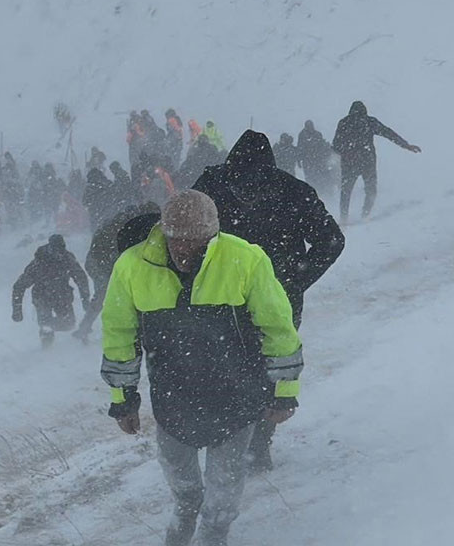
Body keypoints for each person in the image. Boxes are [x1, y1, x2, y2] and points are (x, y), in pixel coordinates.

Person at [100, 190, 303, 546]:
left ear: (213, 236)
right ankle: (183, 518)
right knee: (184, 485)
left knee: (224, 490)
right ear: (164, 232)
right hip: (173, 399)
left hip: (237, 395)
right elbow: (119, 336)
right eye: (176, 239)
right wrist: (123, 400)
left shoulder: (246, 259)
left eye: (195, 242)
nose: (184, 250)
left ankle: (213, 535)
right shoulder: (132, 266)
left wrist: (284, 392)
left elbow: (278, 329)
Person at [193, 130, 344, 472]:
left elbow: (186, 232)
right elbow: (331, 240)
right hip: (278, 297)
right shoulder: (293, 191)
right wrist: (297, 280)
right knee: (271, 367)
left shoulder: (211, 186)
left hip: (221, 296)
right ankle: (258, 444)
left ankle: (233, 438)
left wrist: (195, 277)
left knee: (221, 365)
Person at [73, 201, 161, 341]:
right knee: (105, 294)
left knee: (109, 295)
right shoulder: (130, 226)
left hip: (99, 261)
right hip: (101, 263)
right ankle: (86, 328)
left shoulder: (126, 222)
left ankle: (87, 327)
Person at [331, 101, 421, 222]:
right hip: (367, 162)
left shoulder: (344, 123)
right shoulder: (369, 121)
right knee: (371, 190)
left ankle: (344, 219)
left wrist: (347, 153)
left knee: (346, 192)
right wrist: (405, 145)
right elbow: (388, 133)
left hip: (350, 163)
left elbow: (336, 145)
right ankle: (365, 215)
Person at [12, 234, 90, 347]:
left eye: (61, 249)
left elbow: (81, 278)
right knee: (46, 327)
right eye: (57, 250)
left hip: (63, 296)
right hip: (42, 297)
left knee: (68, 324)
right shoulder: (39, 262)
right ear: (50, 248)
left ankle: (47, 326)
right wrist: (17, 310)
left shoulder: (67, 259)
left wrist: (85, 299)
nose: (59, 254)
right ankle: (47, 346)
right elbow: (19, 286)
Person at [296, 120, 337, 198]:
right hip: (308, 161)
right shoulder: (302, 135)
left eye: (311, 126)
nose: (310, 127)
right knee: (310, 178)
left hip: (317, 160)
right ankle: (312, 193)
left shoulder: (317, 134)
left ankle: (320, 192)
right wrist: (299, 159)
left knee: (318, 176)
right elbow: (300, 147)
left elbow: (321, 146)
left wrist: (324, 155)